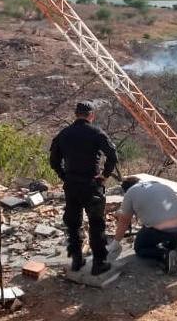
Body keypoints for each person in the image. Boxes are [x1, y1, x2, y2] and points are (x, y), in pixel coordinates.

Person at [50, 101, 119, 275]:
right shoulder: (96, 133)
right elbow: (112, 156)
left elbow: (53, 161)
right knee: (96, 224)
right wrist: (105, 175)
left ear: (76, 114)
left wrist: (64, 176)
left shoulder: (63, 134)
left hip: (71, 185)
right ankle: (98, 264)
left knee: (73, 224)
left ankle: (77, 260)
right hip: (91, 184)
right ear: (91, 115)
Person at [112, 177, 177, 274]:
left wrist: (115, 242)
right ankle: (174, 246)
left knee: (140, 248)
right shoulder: (159, 185)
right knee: (167, 220)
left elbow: (124, 222)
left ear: (126, 190)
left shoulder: (130, 193)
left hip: (163, 230)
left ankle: (165, 255)